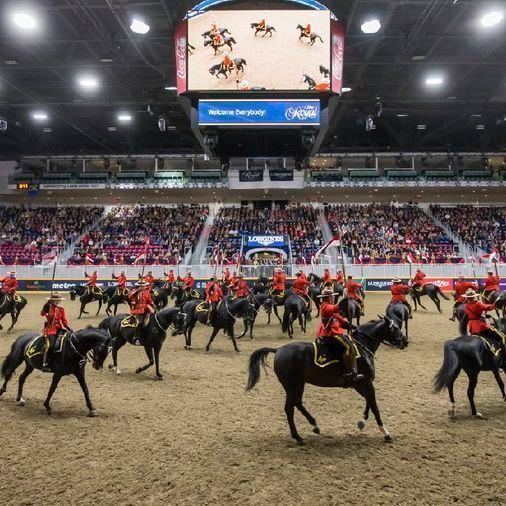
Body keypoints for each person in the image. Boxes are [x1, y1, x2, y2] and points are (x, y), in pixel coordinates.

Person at [316, 287, 363, 382]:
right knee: (349, 347)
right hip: (330, 334)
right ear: (328, 297)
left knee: (349, 340)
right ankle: (349, 371)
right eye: (332, 296)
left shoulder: (329, 305)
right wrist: (344, 299)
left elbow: (338, 317)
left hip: (333, 331)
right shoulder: (325, 306)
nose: (333, 298)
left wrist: (350, 325)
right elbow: (334, 308)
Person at [463, 289, 505, 356]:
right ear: (474, 297)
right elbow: (488, 307)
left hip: (472, 327)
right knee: (500, 337)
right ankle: (503, 355)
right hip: (480, 326)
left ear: (467, 297)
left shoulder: (465, 305)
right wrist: (495, 304)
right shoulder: (477, 304)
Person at [40, 292, 72, 372]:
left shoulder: (61, 309)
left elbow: (64, 321)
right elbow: (42, 313)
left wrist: (69, 328)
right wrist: (46, 305)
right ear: (52, 300)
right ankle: (45, 364)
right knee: (50, 346)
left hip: (59, 329)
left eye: (58, 300)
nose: (57, 302)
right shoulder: (48, 307)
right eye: (55, 300)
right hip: (50, 330)